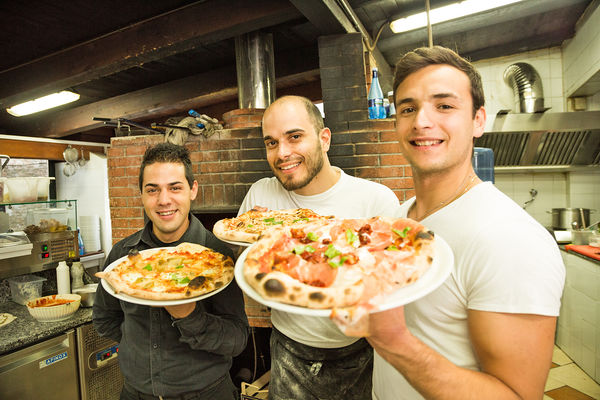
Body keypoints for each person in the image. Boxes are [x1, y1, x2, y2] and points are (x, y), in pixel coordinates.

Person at [366, 46, 565, 399]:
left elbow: (517, 396)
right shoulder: (398, 218)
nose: (421, 121)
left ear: (478, 121)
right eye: (408, 108)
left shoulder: (510, 239)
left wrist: (395, 344)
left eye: (444, 105)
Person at [238, 95, 400, 399]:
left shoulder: (376, 201)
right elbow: (244, 272)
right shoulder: (260, 198)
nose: (282, 153)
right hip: (287, 347)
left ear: (324, 139)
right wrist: (262, 251)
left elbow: (394, 285)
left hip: (360, 350)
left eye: (295, 137)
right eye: (271, 143)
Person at [93, 142, 249, 400]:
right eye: (152, 190)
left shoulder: (216, 256)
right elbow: (103, 318)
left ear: (193, 190)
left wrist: (189, 317)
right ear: (141, 195)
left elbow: (236, 340)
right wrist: (135, 346)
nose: (164, 200)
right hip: (135, 394)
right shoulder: (123, 255)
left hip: (207, 394)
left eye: (175, 188)